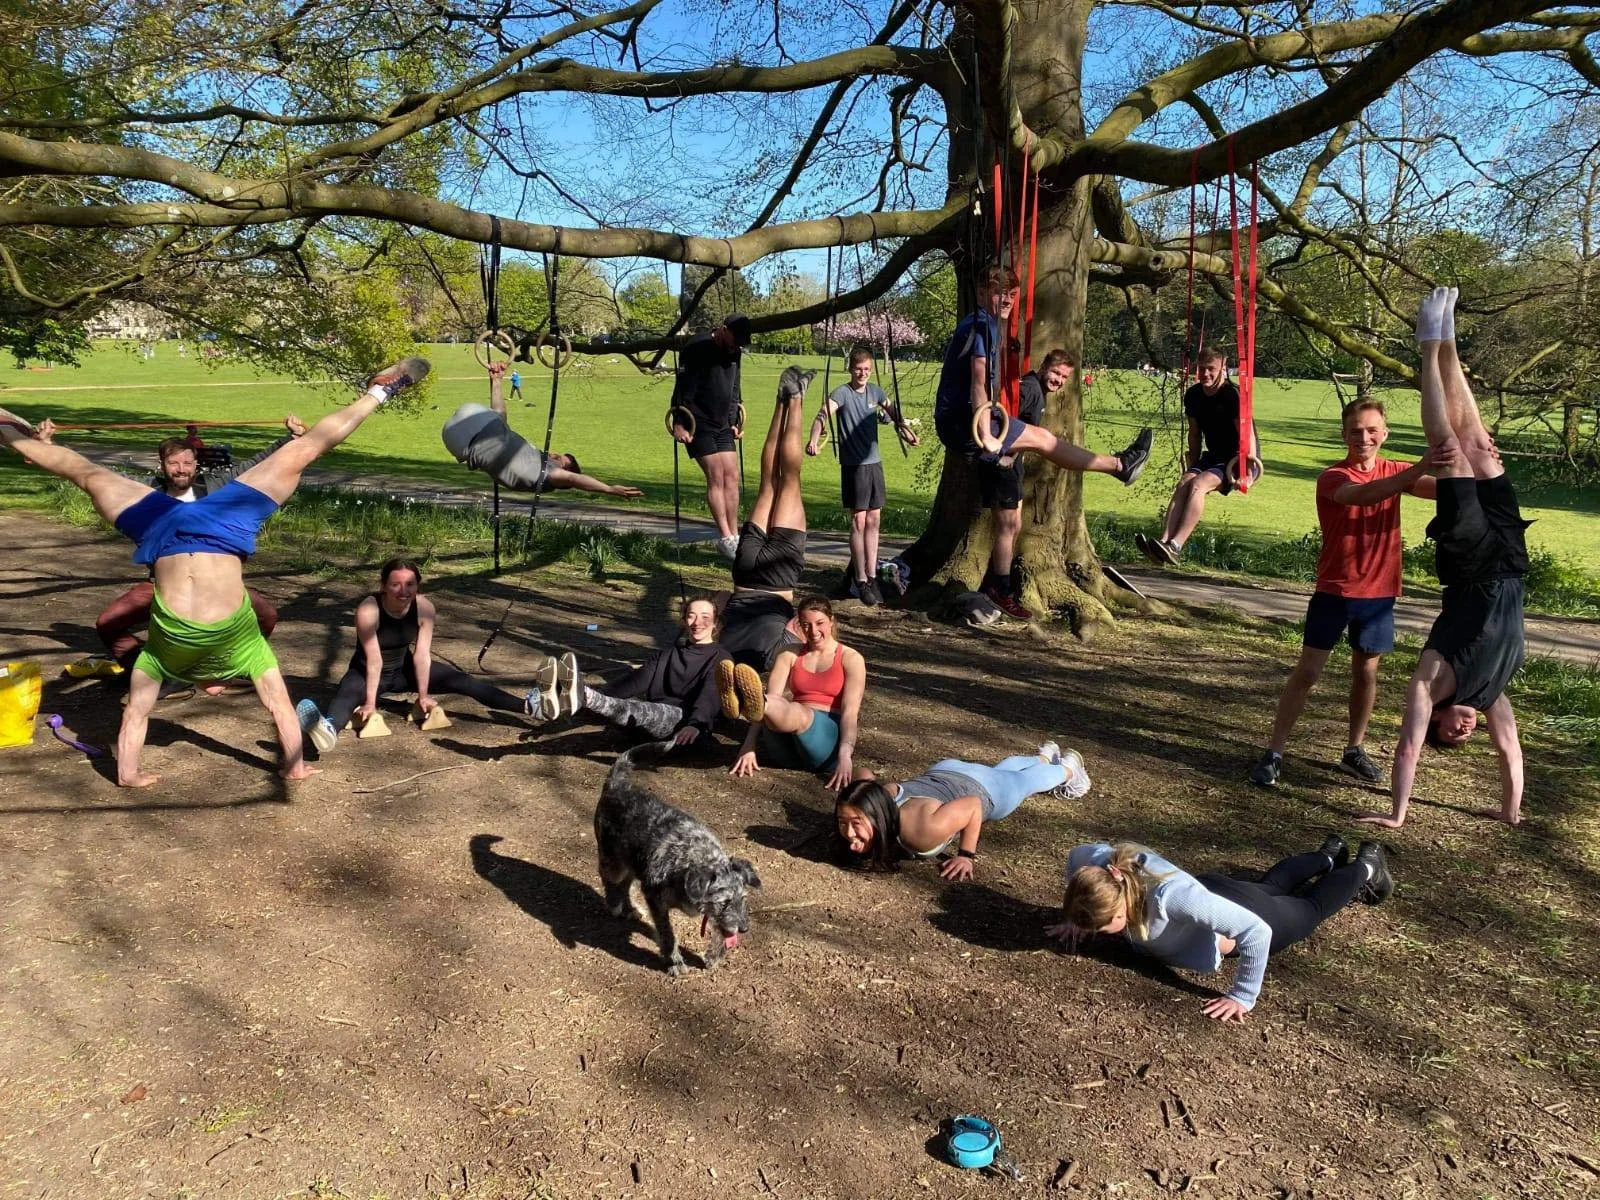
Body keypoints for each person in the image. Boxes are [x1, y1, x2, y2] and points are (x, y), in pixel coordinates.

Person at [0, 358, 429, 786]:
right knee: (85, 471)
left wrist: (294, 766)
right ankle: (380, 391)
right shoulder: (178, 656)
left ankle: (380, 392)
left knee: (305, 449)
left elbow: (273, 708)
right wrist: (128, 774)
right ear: (210, 680)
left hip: (184, 527)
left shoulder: (231, 653)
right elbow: (138, 714)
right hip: (195, 527)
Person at [1359, 287, 1528, 829]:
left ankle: (1429, 346)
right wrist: (1510, 810)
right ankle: (1448, 337)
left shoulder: (1430, 684)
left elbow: (1407, 748)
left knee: (1449, 453)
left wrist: (1398, 814)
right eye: (1465, 735)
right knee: (1479, 444)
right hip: (1512, 561)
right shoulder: (1491, 696)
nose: (1463, 730)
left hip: (1471, 562)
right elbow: (1509, 752)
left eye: (1449, 734)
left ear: (1435, 721)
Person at [935, 269, 1152, 619]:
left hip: (969, 422)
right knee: (1046, 440)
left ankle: (1000, 587)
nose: (1005, 299)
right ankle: (1120, 465)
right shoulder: (982, 325)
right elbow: (978, 382)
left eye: (1011, 294)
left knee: (1012, 520)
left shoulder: (984, 325)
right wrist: (987, 433)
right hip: (967, 422)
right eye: (996, 292)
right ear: (980, 292)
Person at [1248, 400, 1440, 786]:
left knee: (1366, 673)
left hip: (1380, 594)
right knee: (1308, 672)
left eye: (1372, 430)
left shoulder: (1396, 472)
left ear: (1385, 434)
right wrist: (1420, 466)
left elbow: (1447, 491)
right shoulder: (1333, 476)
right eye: (1356, 431)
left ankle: (1354, 750)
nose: (1364, 438)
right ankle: (1274, 752)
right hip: (1335, 591)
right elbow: (1364, 495)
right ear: (1344, 435)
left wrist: (1471, 459)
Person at [1047, 836, 1392, 1022]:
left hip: (1251, 913)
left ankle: (1366, 867)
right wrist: (1075, 917)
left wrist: (1242, 994)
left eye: (1109, 923)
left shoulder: (1172, 900)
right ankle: (1328, 855)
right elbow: (1075, 855)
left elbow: (1257, 932)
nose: (1106, 931)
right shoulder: (1099, 863)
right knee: (1270, 884)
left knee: (1309, 908)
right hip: (1213, 892)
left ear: (1123, 900)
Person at [82, 418, 307, 678]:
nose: (181, 469)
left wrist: (289, 439)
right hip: (163, 584)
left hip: (220, 583)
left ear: (196, 465)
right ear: (162, 465)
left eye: (187, 463)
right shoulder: (145, 493)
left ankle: (235, 664)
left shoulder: (216, 487)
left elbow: (255, 464)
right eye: (173, 463)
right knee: (107, 623)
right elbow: (96, 475)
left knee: (266, 614)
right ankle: (151, 670)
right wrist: (49, 448)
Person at [296, 557, 537, 752]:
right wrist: (370, 703)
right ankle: (327, 731)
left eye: (410, 584)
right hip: (367, 671)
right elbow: (374, 659)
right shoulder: (369, 609)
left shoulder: (424, 608)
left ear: (418, 586)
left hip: (404, 672)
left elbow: (422, 655)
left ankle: (529, 706)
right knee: (346, 696)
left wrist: (423, 696)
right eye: (395, 585)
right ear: (383, 586)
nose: (403, 591)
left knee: (463, 681)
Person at [833, 743, 1091, 881]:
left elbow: (972, 806)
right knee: (1001, 772)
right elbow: (864, 776)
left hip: (984, 789)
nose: (848, 832)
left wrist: (966, 855)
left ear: (877, 814)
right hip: (944, 769)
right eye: (843, 823)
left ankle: (1068, 769)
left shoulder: (919, 831)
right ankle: (1043, 758)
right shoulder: (876, 797)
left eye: (856, 823)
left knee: (1025, 784)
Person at [717, 365, 815, 677]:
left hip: (778, 580)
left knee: (789, 481)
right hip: (743, 573)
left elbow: (798, 631)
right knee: (768, 483)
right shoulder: (723, 653)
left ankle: (796, 397)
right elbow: (718, 604)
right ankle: (781, 400)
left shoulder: (772, 657)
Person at [527, 595, 730, 747]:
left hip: (688, 729)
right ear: (685, 621)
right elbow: (633, 682)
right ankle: (560, 702)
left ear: (715, 622)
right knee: (619, 706)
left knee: (643, 710)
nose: (697, 623)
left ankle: (584, 695)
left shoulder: (721, 657)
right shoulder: (667, 654)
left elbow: (710, 696)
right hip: (646, 723)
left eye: (705, 617)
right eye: (691, 616)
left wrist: (696, 723)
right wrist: (604, 693)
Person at [805, 346, 918, 605]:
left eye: (867, 369)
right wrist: (813, 439)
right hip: (854, 465)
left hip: (874, 464)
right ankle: (861, 579)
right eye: (859, 369)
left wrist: (907, 433)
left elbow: (894, 415)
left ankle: (872, 575)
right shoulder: (841, 393)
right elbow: (821, 416)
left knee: (875, 520)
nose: (863, 373)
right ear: (851, 369)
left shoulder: (875, 391)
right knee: (859, 521)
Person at [723, 595, 865, 790]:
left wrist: (845, 756)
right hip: (786, 748)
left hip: (825, 746)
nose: (813, 631)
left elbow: (850, 713)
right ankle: (748, 703)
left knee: (796, 711)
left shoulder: (850, 658)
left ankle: (745, 702)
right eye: (806, 625)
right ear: (799, 624)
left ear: (831, 621)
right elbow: (773, 697)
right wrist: (748, 746)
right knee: (770, 704)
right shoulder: (789, 653)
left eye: (819, 623)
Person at [1135, 346, 1261, 566]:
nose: (1206, 374)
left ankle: (1175, 546)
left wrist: (1247, 469)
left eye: (1211, 369)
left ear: (1223, 368)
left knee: (1198, 485)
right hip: (1212, 456)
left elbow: (1246, 432)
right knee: (1185, 482)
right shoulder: (1193, 395)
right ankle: (1163, 543)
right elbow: (1194, 434)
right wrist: (1191, 464)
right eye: (1202, 369)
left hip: (1236, 458)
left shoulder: (1233, 395)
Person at [441, 363, 643, 499]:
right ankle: (496, 379)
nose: (554, 454)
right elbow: (500, 418)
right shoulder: (530, 460)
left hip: (471, 435)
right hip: (461, 441)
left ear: (562, 472)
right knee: (501, 420)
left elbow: (574, 479)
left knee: (499, 422)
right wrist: (496, 381)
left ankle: (495, 383)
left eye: (560, 459)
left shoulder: (548, 475)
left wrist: (609, 489)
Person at [974, 348, 1072, 617]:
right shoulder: (1029, 388)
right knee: (1007, 526)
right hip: (1002, 464)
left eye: (1064, 376)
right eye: (1055, 373)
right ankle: (1000, 590)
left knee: (1014, 525)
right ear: (1043, 368)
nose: (1059, 380)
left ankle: (996, 582)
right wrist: (1004, 455)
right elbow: (1002, 420)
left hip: (1013, 466)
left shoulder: (1037, 392)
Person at [669, 314, 752, 558]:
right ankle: (725, 536)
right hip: (697, 421)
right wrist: (679, 422)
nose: (736, 347)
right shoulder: (696, 348)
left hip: (722, 422)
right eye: (735, 340)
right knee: (716, 475)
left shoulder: (734, 351)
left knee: (732, 475)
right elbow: (681, 388)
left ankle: (734, 534)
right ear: (723, 330)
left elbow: (735, 388)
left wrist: (734, 420)